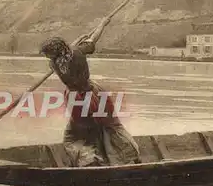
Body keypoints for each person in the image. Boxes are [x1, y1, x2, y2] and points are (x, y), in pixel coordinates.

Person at [40, 18, 141, 167]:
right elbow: (93, 39)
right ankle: (129, 154)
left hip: (75, 99)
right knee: (110, 125)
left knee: (75, 135)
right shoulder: (78, 52)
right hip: (94, 94)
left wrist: (75, 43)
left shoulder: (54, 63)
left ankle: (90, 159)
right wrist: (103, 24)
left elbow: (64, 56)